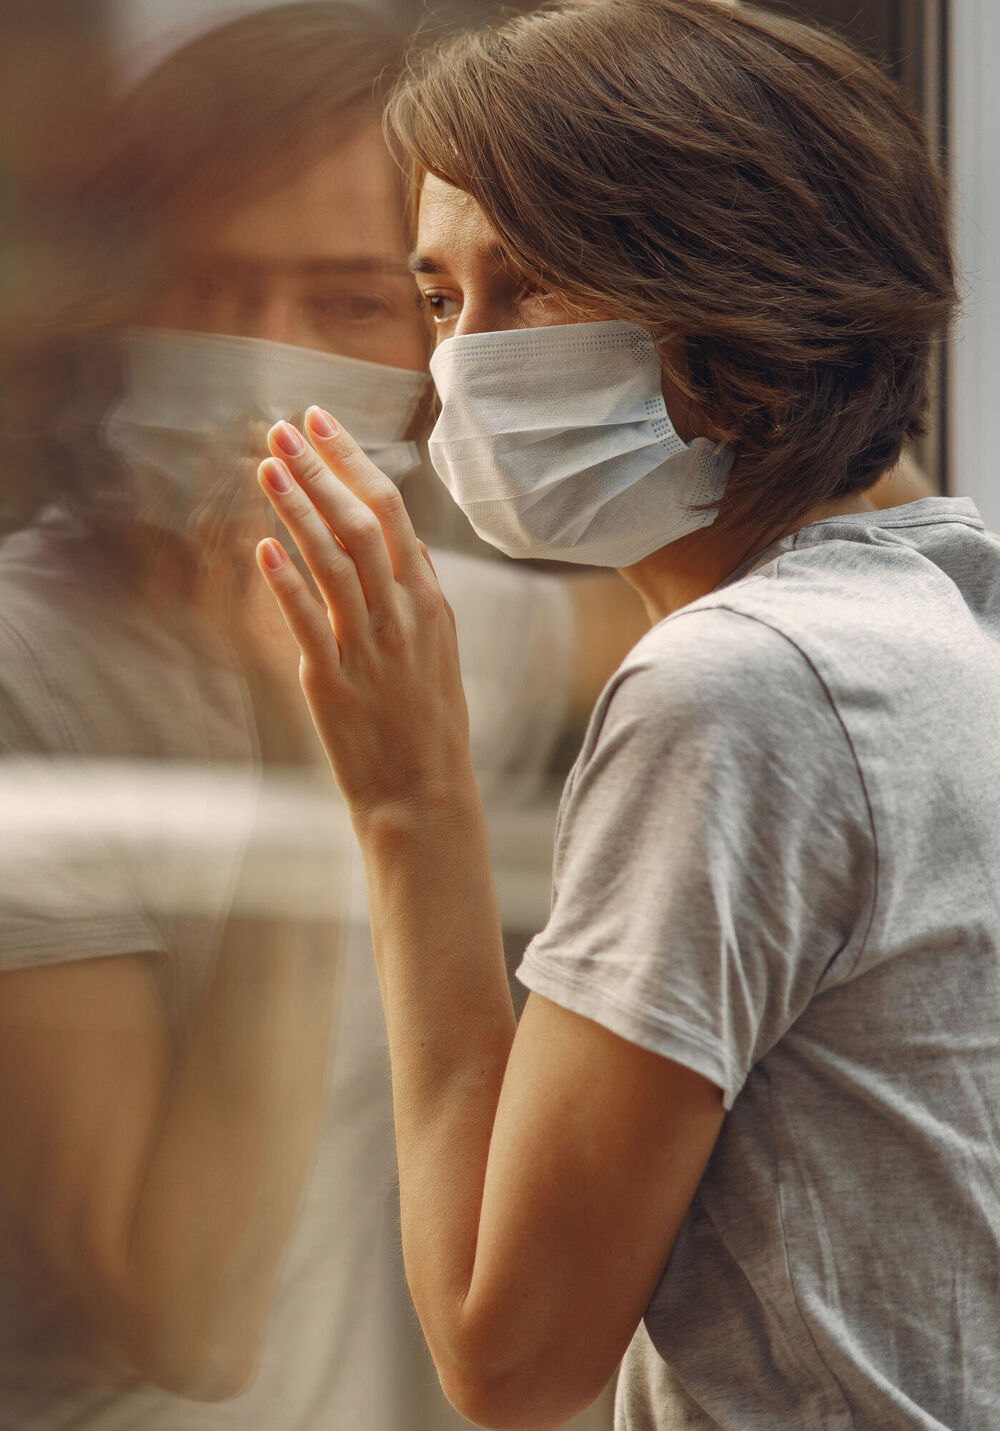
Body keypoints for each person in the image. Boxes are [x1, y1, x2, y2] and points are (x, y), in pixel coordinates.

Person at [253, 1, 1000, 1428]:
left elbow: (510, 1358)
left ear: (737, 291)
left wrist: (412, 799)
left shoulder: (741, 687)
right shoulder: (945, 619)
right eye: (439, 299)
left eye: (529, 286)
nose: (464, 363)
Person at [0, 5, 628, 1428]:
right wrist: (306, 750)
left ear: (439, 340)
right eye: (211, 289)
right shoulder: (20, 666)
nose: (260, 361)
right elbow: (184, 1316)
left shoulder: (445, 622)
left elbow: (796, 605)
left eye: (343, 304)